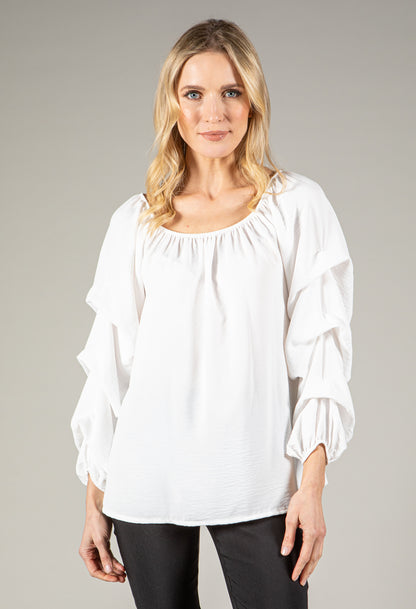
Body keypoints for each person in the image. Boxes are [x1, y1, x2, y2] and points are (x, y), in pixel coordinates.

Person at [70, 18, 355, 609]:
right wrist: (95, 500)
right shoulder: (135, 223)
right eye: (194, 93)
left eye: (231, 92)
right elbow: (112, 371)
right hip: (146, 481)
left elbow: (322, 359)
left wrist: (312, 487)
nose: (213, 113)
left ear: (253, 100)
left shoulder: (296, 207)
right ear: (172, 105)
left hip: (258, 479)